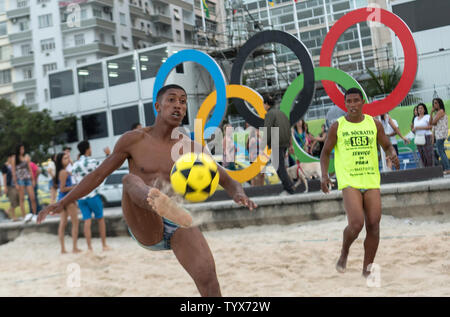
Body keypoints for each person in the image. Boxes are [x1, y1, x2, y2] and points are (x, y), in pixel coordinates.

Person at [38, 84, 257, 297]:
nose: (178, 106)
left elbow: (226, 178)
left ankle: (166, 205)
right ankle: (154, 198)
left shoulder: (190, 148)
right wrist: (63, 201)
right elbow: (97, 175)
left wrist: (239, 194)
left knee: (210, 282)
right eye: (171, 100)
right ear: (157, 106)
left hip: (176, 220)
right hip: (144, 222)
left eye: (183, 102)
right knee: (129, 179)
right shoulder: (133, 140)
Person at [320, 87, 400, 278]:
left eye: (356, 101)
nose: (353, 105)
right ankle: (344, 251)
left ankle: (367, 268)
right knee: (356, 224)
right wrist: (324, 176)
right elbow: (325, 153)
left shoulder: (374, 124)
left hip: (371, 178)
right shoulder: (337, 126)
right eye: (349, 101)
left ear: (363, 102)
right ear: (345, 104)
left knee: (374, 223)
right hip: (349, 180)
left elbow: (387, 145)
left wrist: (392, 154)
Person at [72, 140, 110, 252]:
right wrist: (108, 155)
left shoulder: (75, 165)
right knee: (100, 219)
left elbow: (74, 178)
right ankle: (104, 245)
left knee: (87, 221)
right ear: (88, 149)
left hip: (81, 198)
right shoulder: (92, 162)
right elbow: (105, 167)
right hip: (93, 195)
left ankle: (89, 248)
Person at [263, 94, 295, 195]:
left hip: (277, 142)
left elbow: (267, 129)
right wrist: (290, 144)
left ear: (267, 104)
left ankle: (289, 188)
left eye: (263, 104)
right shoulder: (281, 113)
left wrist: (265, 143)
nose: (263, 106)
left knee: (278, 166)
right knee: (280, 165)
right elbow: (288, 127)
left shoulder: (269, 114)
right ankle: (289, 186)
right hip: (284, 142)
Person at [54, 152, 81, 254]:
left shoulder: (63, 172)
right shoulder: (64, 172)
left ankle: (63, 249)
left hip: (62, 199)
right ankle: (74, 248)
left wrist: (70, 161)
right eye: (65, 158)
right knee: (75, 223)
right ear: (61, 161)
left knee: (63, 223)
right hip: (67, 199)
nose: (68, 160)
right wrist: (74, 187)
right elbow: (62, 188)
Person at [11, 144, 37, 222]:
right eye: (21, 149)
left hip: (28, 179)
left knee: (32, 198)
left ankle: (34, 214)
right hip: (20, 180)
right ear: (18, 149)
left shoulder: (26, 157)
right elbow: (13, 172)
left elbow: (29, 169)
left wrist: (33, 180)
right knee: (22, 199)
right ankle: (24, 216)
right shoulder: (14, 158)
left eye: (23, 148)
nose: (23, 150)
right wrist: (15, 183)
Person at [430, 98, 450, 174]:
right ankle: (447, 168)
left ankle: (448, 168)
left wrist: (433, 115)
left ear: (439, 104)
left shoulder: (441, 111)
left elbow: (434, 123)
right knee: (441, 151)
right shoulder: (437, 113)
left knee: (440, 151)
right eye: (434, 103)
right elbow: (430, 122)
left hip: (441, 134)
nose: (434, 105)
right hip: (438, 134)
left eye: (436, 103)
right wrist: (431, 113)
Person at [2, 153, 20, 221]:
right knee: (13, 201)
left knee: (18, 200)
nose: (14, 159)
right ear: (9, 158)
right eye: (13, 157)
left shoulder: (13, 166)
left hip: (15, 185)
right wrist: (5, 187)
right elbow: (4, 177)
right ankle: (13, 216)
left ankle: (7, 211)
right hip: (9, 186)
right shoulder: (5, 166)